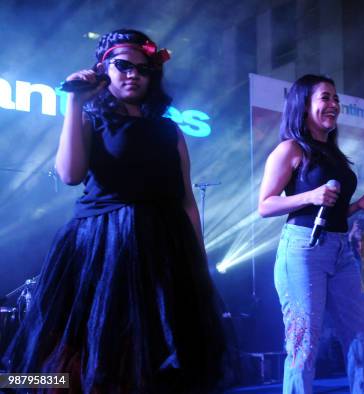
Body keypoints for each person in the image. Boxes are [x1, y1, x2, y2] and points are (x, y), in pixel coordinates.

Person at [2, 29, 225, 393]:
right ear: (104, 69)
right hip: (100, 248)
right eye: (123, 65)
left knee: (156, 353)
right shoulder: (91, 117)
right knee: (93, 352)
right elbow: (70, 174)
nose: (133, 74)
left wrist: (197, 259)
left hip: (163, 250)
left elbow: (185, 198)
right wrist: (74, 103)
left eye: (143, 68)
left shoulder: (170, 130)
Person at [258, 74, 364, 394]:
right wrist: (309, 196)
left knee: (361, 339)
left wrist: (355, 207)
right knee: (303, 344)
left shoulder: (334, 155)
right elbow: (266, 205)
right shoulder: (290, 149)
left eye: (335, 99)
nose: (334, 105)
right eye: (325, 98)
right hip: (302, 250)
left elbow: (330, 211)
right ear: (304, 104)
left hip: (341, 252)